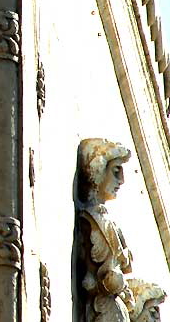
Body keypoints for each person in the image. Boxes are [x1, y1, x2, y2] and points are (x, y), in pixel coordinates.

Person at [77, 138, 133, 322]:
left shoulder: (105, 220)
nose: (122, 180)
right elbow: (108, 278)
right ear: (99, 170)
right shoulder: (93, 218)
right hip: (103, 310)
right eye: (116, 171)